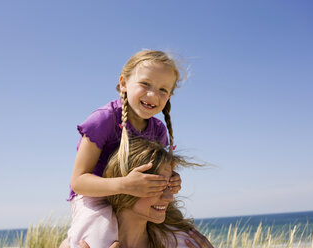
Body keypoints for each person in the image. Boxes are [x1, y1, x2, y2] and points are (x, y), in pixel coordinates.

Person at [67, 50, 185, 247]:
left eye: (163, 90)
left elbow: (160, 174)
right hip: (95, 196)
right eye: (145, 84)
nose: (152, 94)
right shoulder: (104, 119)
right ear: (123, 83)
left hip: (136, 198)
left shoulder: (158, 130)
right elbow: (78, 182)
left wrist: (171, 181)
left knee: (181, 238)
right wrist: (125, 185)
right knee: (101, 239)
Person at [60, 138, 213, 248]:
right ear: (128, 187)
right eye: (157, 186)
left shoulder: (181, 242)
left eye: (168, 186)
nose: (169, 197)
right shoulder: (84, 241)